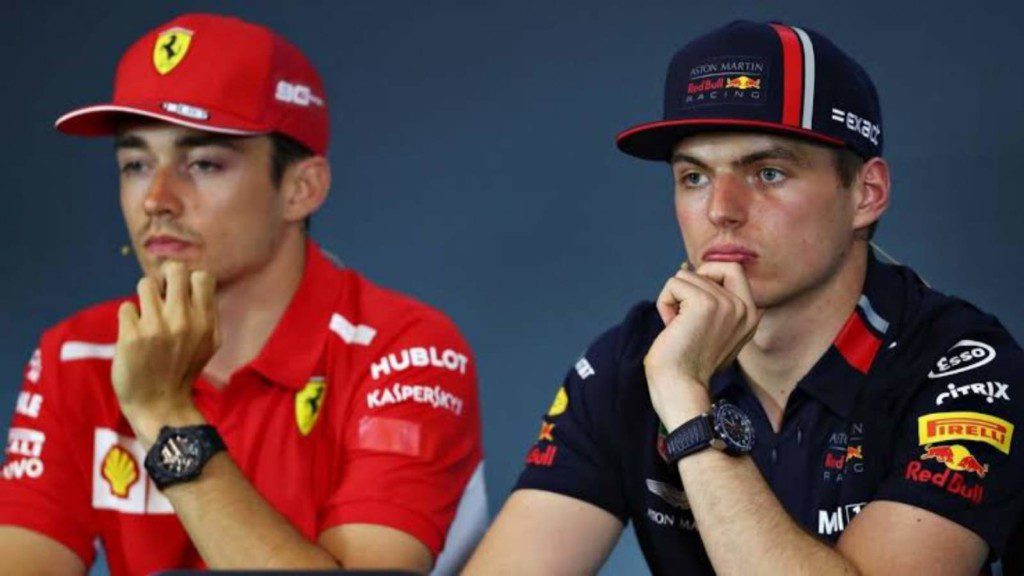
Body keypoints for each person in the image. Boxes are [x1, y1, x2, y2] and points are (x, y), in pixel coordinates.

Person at [467, 20, 1023, 575]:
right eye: (694, 177)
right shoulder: (630, 361)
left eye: (769, 171)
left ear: (866, 194)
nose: (721, 210)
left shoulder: (961, 364)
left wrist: (687, 403)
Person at [0, 13, 486, 576]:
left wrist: (163, 412)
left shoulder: (406, 350)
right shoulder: (76, 353)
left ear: (302, 189)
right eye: (135, 164)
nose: (157, 198)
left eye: (203, 163)